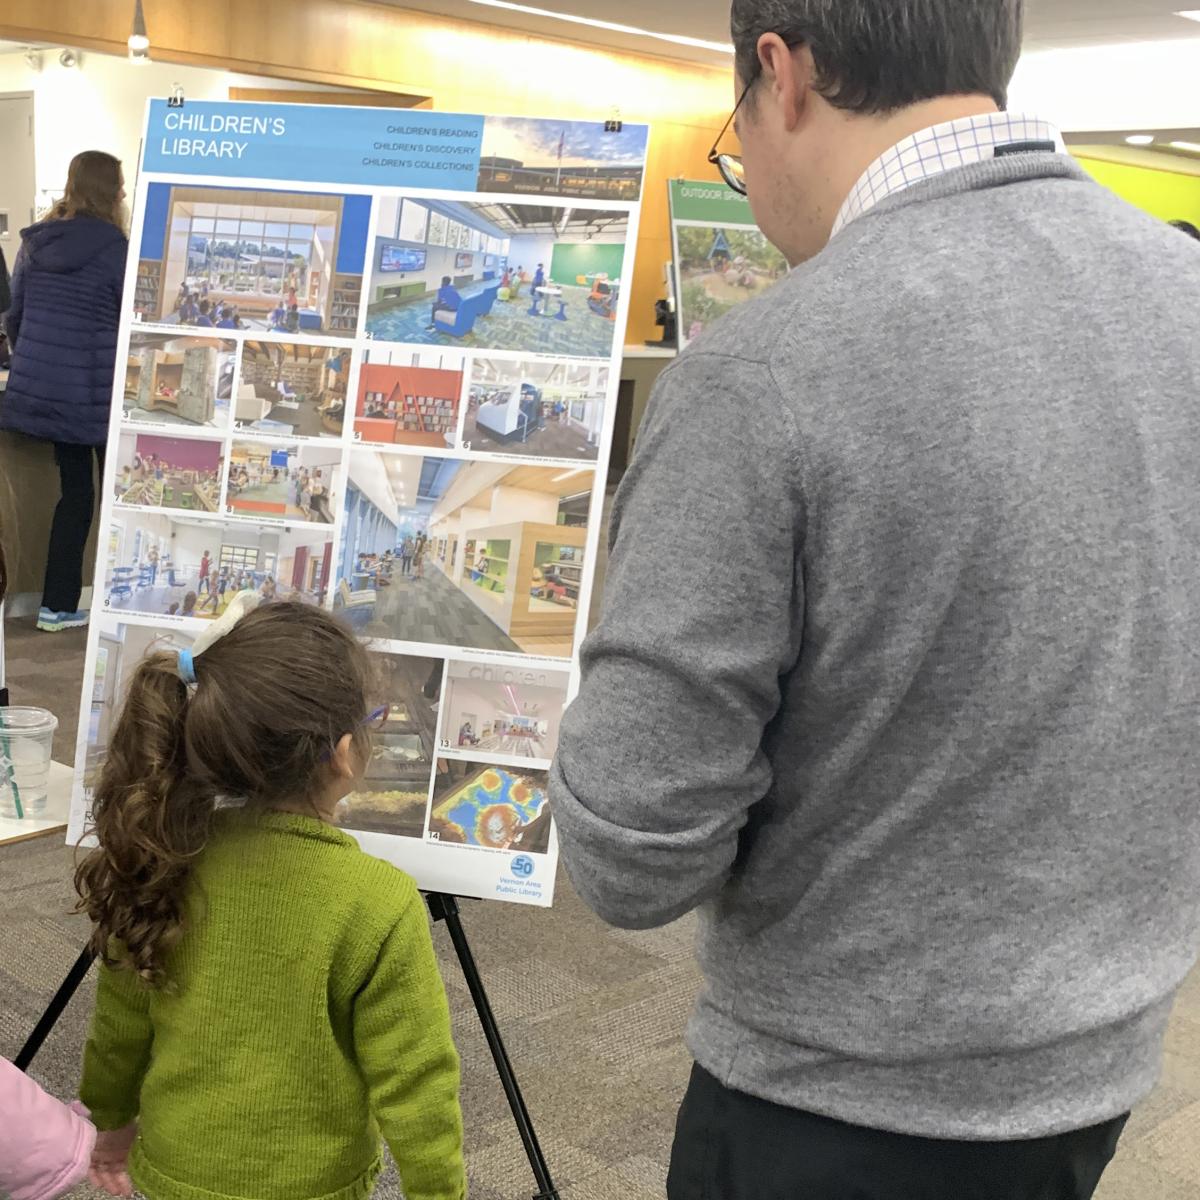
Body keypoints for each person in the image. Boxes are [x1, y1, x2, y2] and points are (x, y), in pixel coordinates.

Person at [549, 3, 1200, 1199]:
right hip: (1105, 1063)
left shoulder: (768, 370)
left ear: (780, 74)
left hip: (833, 1106)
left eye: (731, 147)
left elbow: (633, 853)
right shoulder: (1186, 291)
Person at [73, 600, 466, 1200]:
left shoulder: (163, 863)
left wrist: (109, 1123)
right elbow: (415, 1078)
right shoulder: (379, 903)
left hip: (175, 1172)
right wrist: (438, 1191)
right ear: (342, 752)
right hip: (314, 1186)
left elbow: (119, 1027)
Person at [0, 150, 128, 632]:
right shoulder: (116, 249)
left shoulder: (35, 243)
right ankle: (86, 603)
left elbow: (14, 314)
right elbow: (127, 322)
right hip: (97, 391)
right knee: (106, 498)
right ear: (110, 190)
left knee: (73, 494)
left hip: (46, 390)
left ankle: (55, 603)